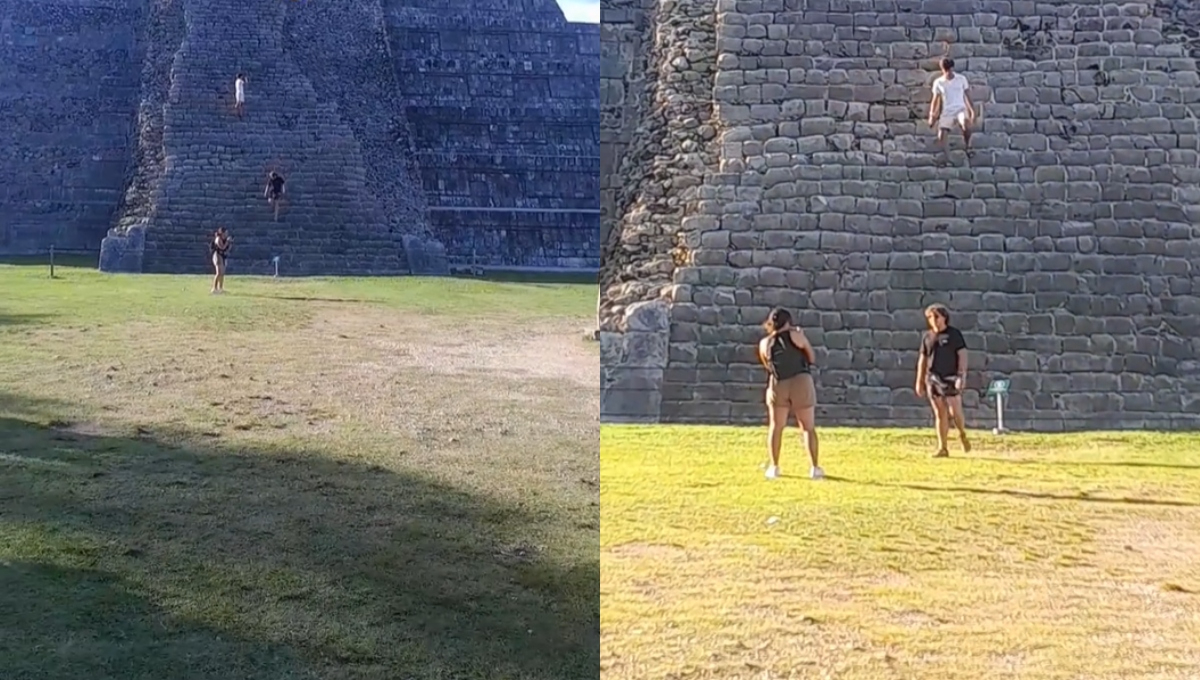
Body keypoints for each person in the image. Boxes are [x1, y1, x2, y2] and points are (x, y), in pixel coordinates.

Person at [756, 308, 822, 480]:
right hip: (800, 380)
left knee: (776, 426)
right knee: (807, 427)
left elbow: (767, 365)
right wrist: (802, 336)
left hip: (778, 383)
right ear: (788, 322)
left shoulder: (765, 343)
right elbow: (811, 357)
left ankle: (774, 466)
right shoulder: (796, 336)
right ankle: (814, 468)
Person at [915, 304, 972, 457]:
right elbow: (923, 360)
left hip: (951, 377)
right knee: (940, 413)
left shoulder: (954, 335)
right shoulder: (927, 337)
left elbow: (963, 355)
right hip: (933, 378)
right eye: (930, 318)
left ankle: (961, 433)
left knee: (955, 411)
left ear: (944, 317)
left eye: (936, 317)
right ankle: (943, 447)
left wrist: (961, 375)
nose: (933, 321)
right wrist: (919, 381)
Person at [927, 58, 975, 161]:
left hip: (960, 108)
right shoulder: (939, 82)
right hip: (947, 111)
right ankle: (948, 157)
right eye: (946, 70)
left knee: (965, 122)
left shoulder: (961, 79)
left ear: (953, 68)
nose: (948, 72)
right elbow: (935, 100)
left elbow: (967, 95)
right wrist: (932, 115)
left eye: (950, 70)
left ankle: (968, 146)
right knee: (942, 134)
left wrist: (972, 110)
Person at [210, 227, 231, 294]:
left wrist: (229, 244)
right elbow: (222, 247)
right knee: (218, 273)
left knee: (222, 273)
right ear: (222, 233)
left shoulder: (225, 239)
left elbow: (227, 249)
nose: (227, 234)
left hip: (222, 256)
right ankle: (214, 288)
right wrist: (227, 242)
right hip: (217, 256)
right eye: (225, 233)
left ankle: (220, 288)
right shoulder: (218, 239)